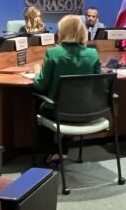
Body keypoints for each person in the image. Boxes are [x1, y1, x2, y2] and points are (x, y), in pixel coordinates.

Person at [32, 15, 101, 162]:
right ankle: (64, 150)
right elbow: (98, 83)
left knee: (38, 102)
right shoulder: (93, 54)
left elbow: (41, 85)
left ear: (61, 32)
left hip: (57, 111)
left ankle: (51, 151)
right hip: (86, 110)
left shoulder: (53, 53)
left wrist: (36, 72)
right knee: (73, 102)